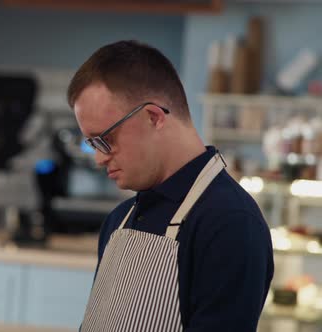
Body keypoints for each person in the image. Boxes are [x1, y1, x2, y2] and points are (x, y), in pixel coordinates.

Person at [68, 40, 274, 331]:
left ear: (153, 117)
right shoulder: (119, 220)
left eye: (105, 139)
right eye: (92, 144)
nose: (100, 158)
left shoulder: (230, 222)